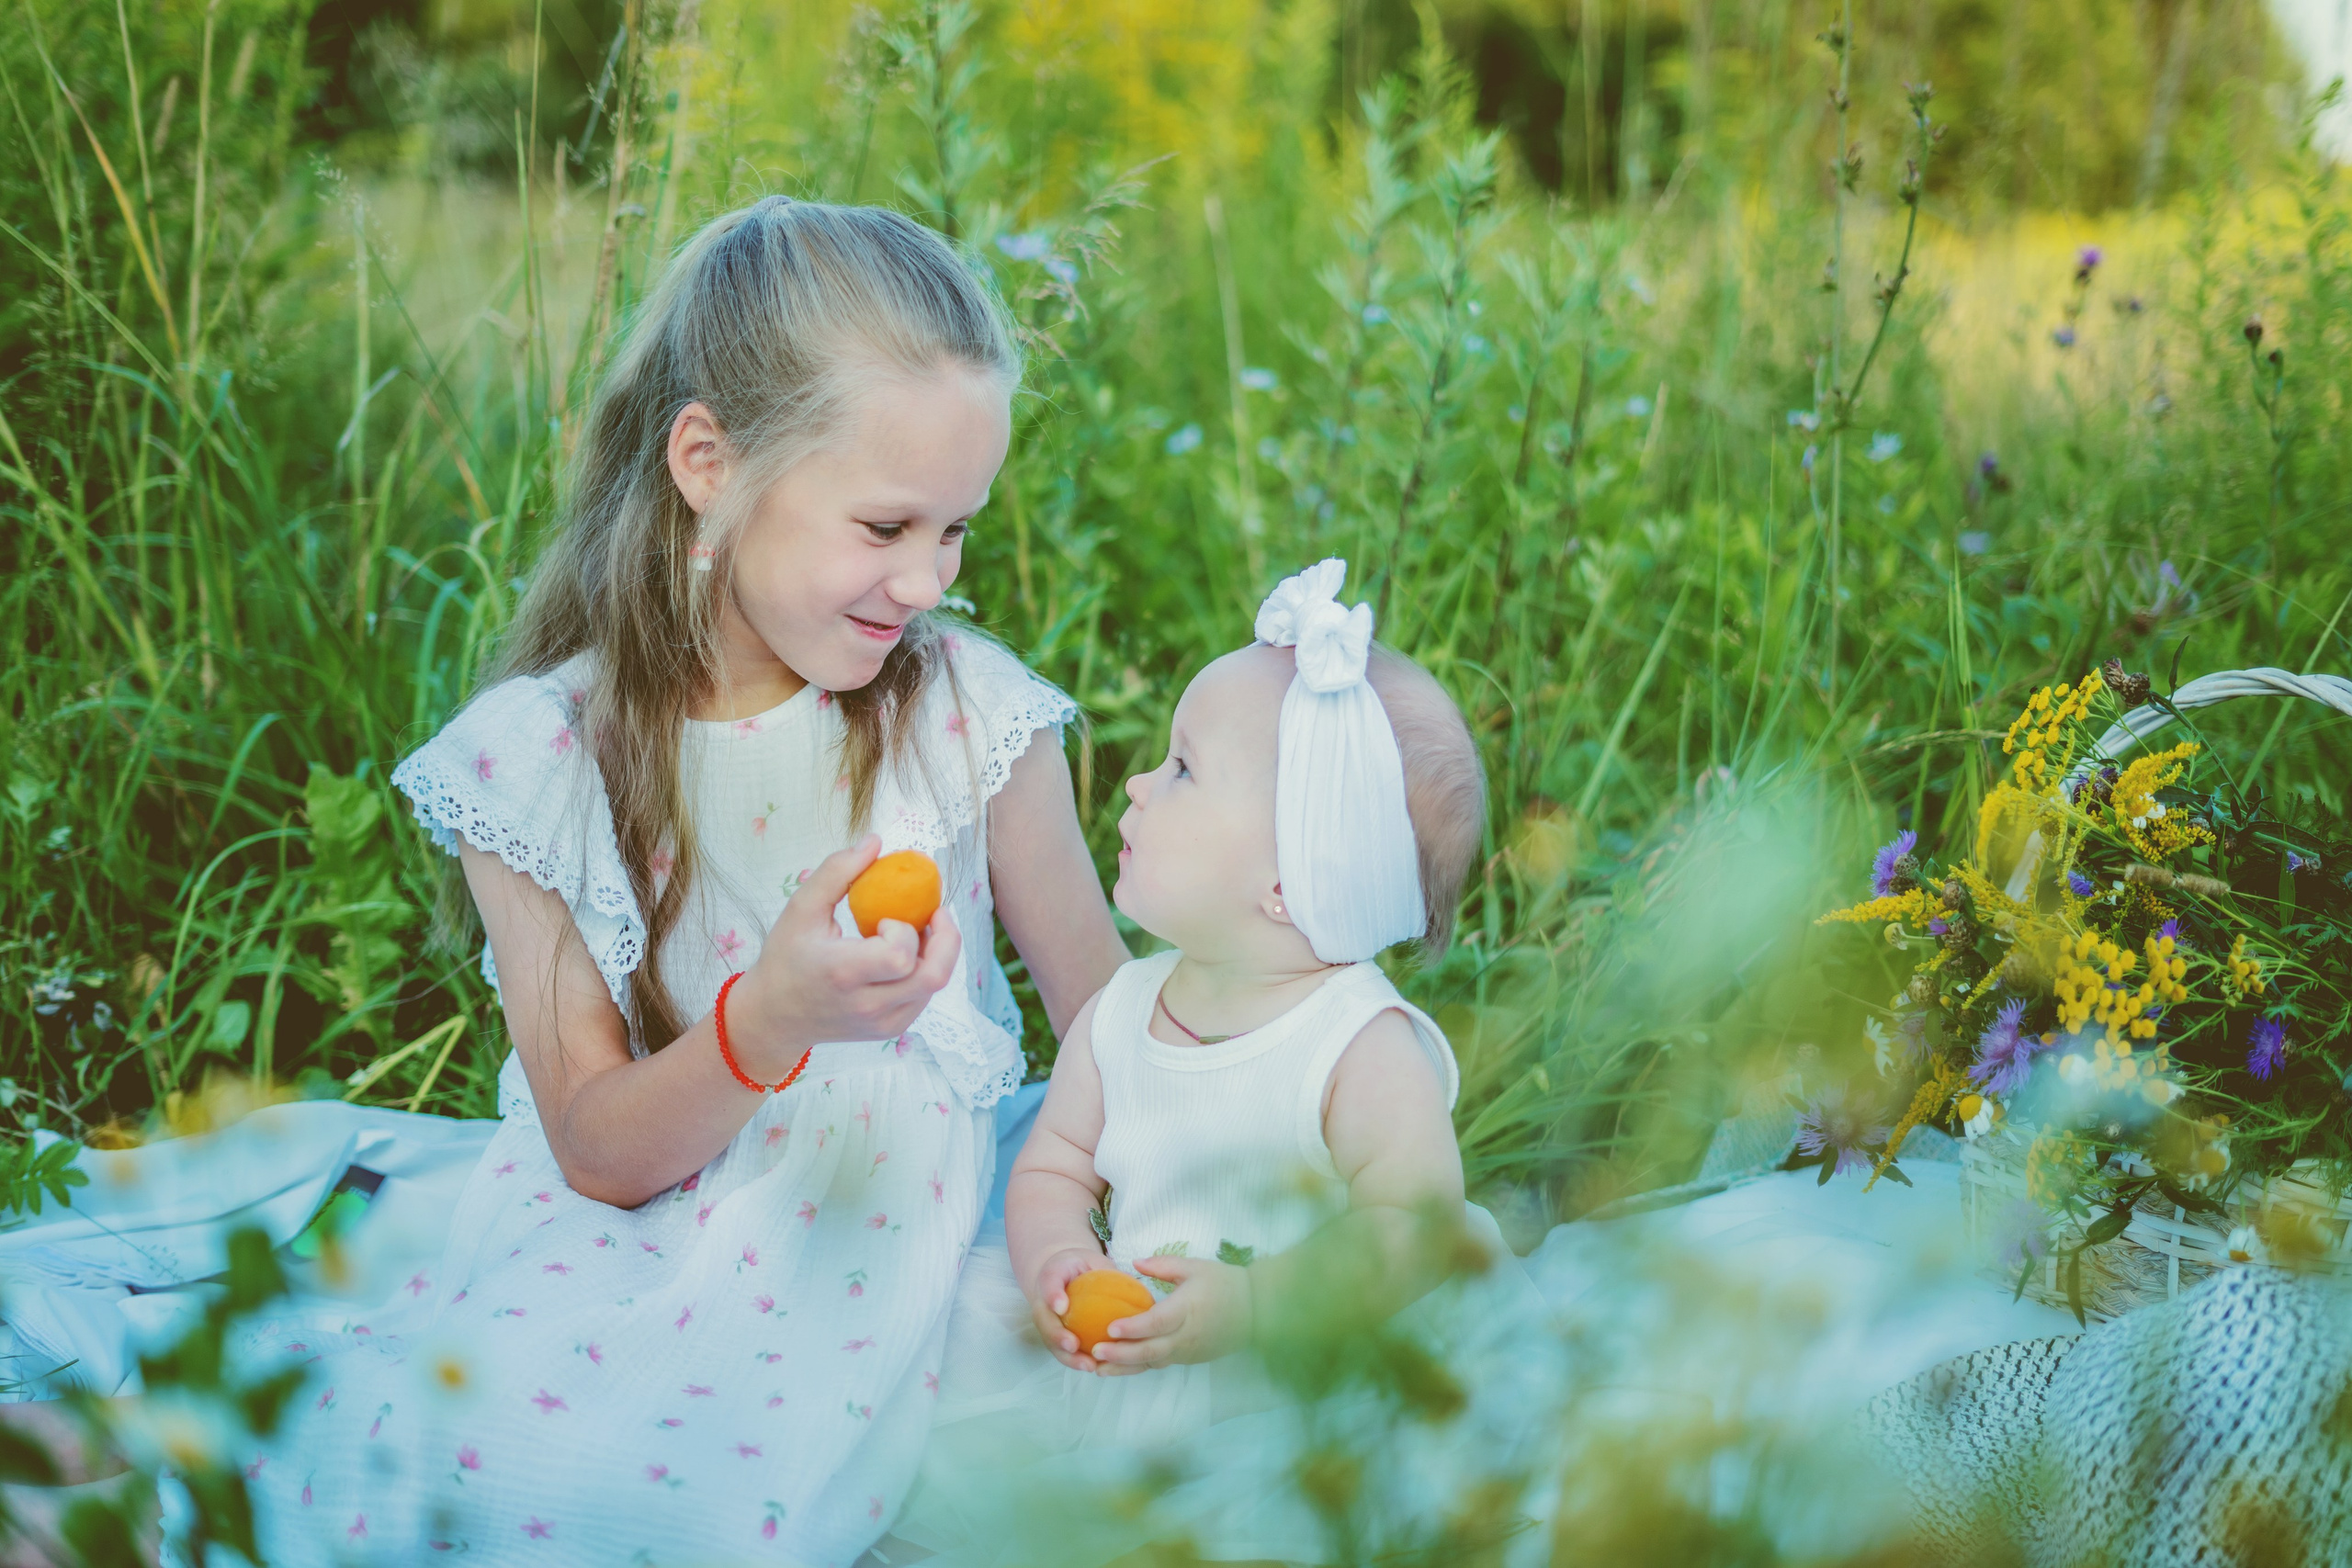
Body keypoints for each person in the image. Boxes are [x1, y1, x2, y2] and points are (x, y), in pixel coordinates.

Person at [233, 196, 1128, 1566]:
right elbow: (596, 1146)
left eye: (956, 530)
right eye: (887, 522)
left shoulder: (965, 716)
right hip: (636, 1214)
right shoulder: (538, 763)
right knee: (517, 1467)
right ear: (707, 460)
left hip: (867, 1231)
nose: (926, 580)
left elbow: (1113, 1026)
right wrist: (768, 1018)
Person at [886, 558, 1546, 1565]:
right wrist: (1057, 1259)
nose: (1141, 785)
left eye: (1183, 769)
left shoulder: (1358, 1045)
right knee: (949, 1427)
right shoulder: (1124, 1011)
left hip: (1314, 1368)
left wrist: (1255, 1306)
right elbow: (1057, 1160)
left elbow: (1414, 1230)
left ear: (1286, 884)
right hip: (1152, 1365)